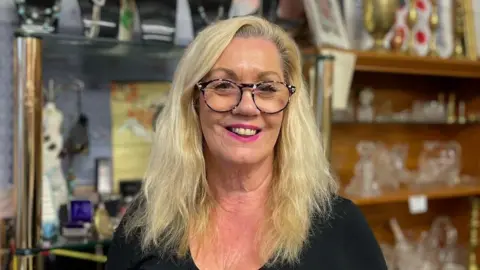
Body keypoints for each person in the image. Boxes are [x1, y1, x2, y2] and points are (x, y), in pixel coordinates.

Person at [106, 15, 387, 270]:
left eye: (266, 88)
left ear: (289, 107)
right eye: (223, 86)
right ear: (193, 102)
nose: (247, 107)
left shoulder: (341, 228)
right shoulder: (147, 225)